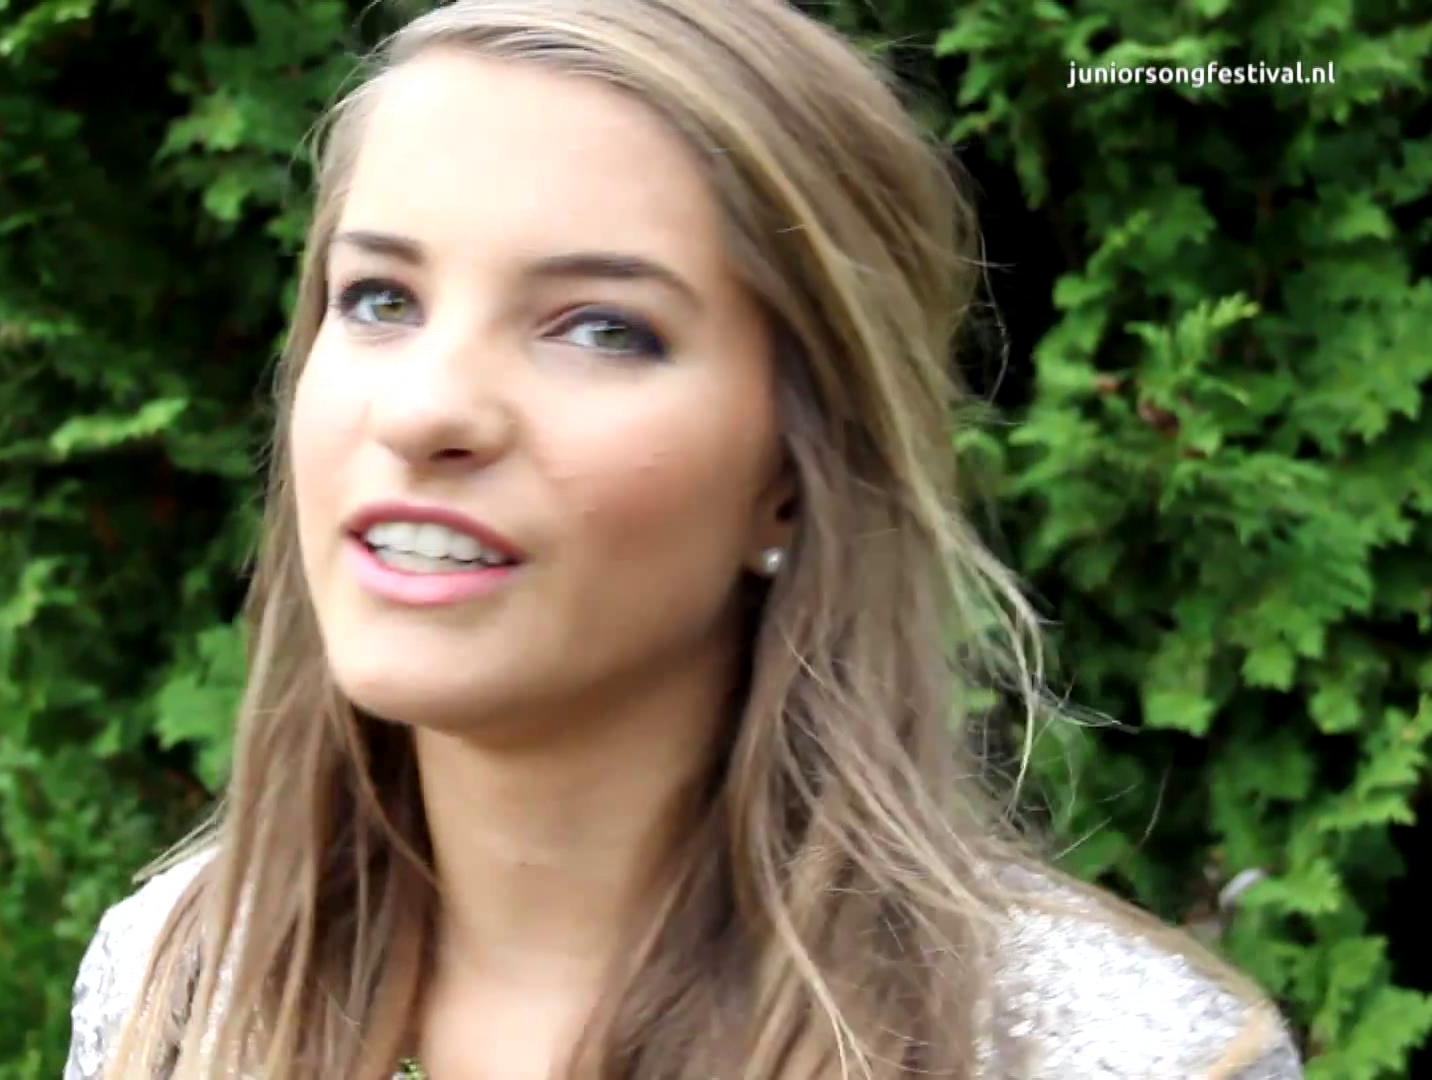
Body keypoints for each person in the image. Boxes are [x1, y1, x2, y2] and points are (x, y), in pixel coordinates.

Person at [63, 1, 1306, 1077]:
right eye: (381, 299)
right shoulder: (178, 985)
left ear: (797, 470)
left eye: (602, 328)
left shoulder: (1114, 1054)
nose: (425, 409)